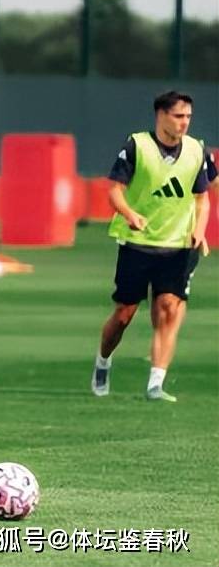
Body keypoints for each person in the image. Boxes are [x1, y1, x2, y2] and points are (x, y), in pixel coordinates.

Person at [92, 91, 214, 402]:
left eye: (188, 116)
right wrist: (129, 214)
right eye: (178, 116)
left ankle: (155, 384)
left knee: (168, 308)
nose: (184, 122)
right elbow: (114, 191)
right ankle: (103, 361)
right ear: (161, 115)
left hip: (177, 245)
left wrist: (199, 230)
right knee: (124, 314)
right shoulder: (137, 146)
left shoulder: (196, 150)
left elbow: (202, 197)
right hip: (137, 244)